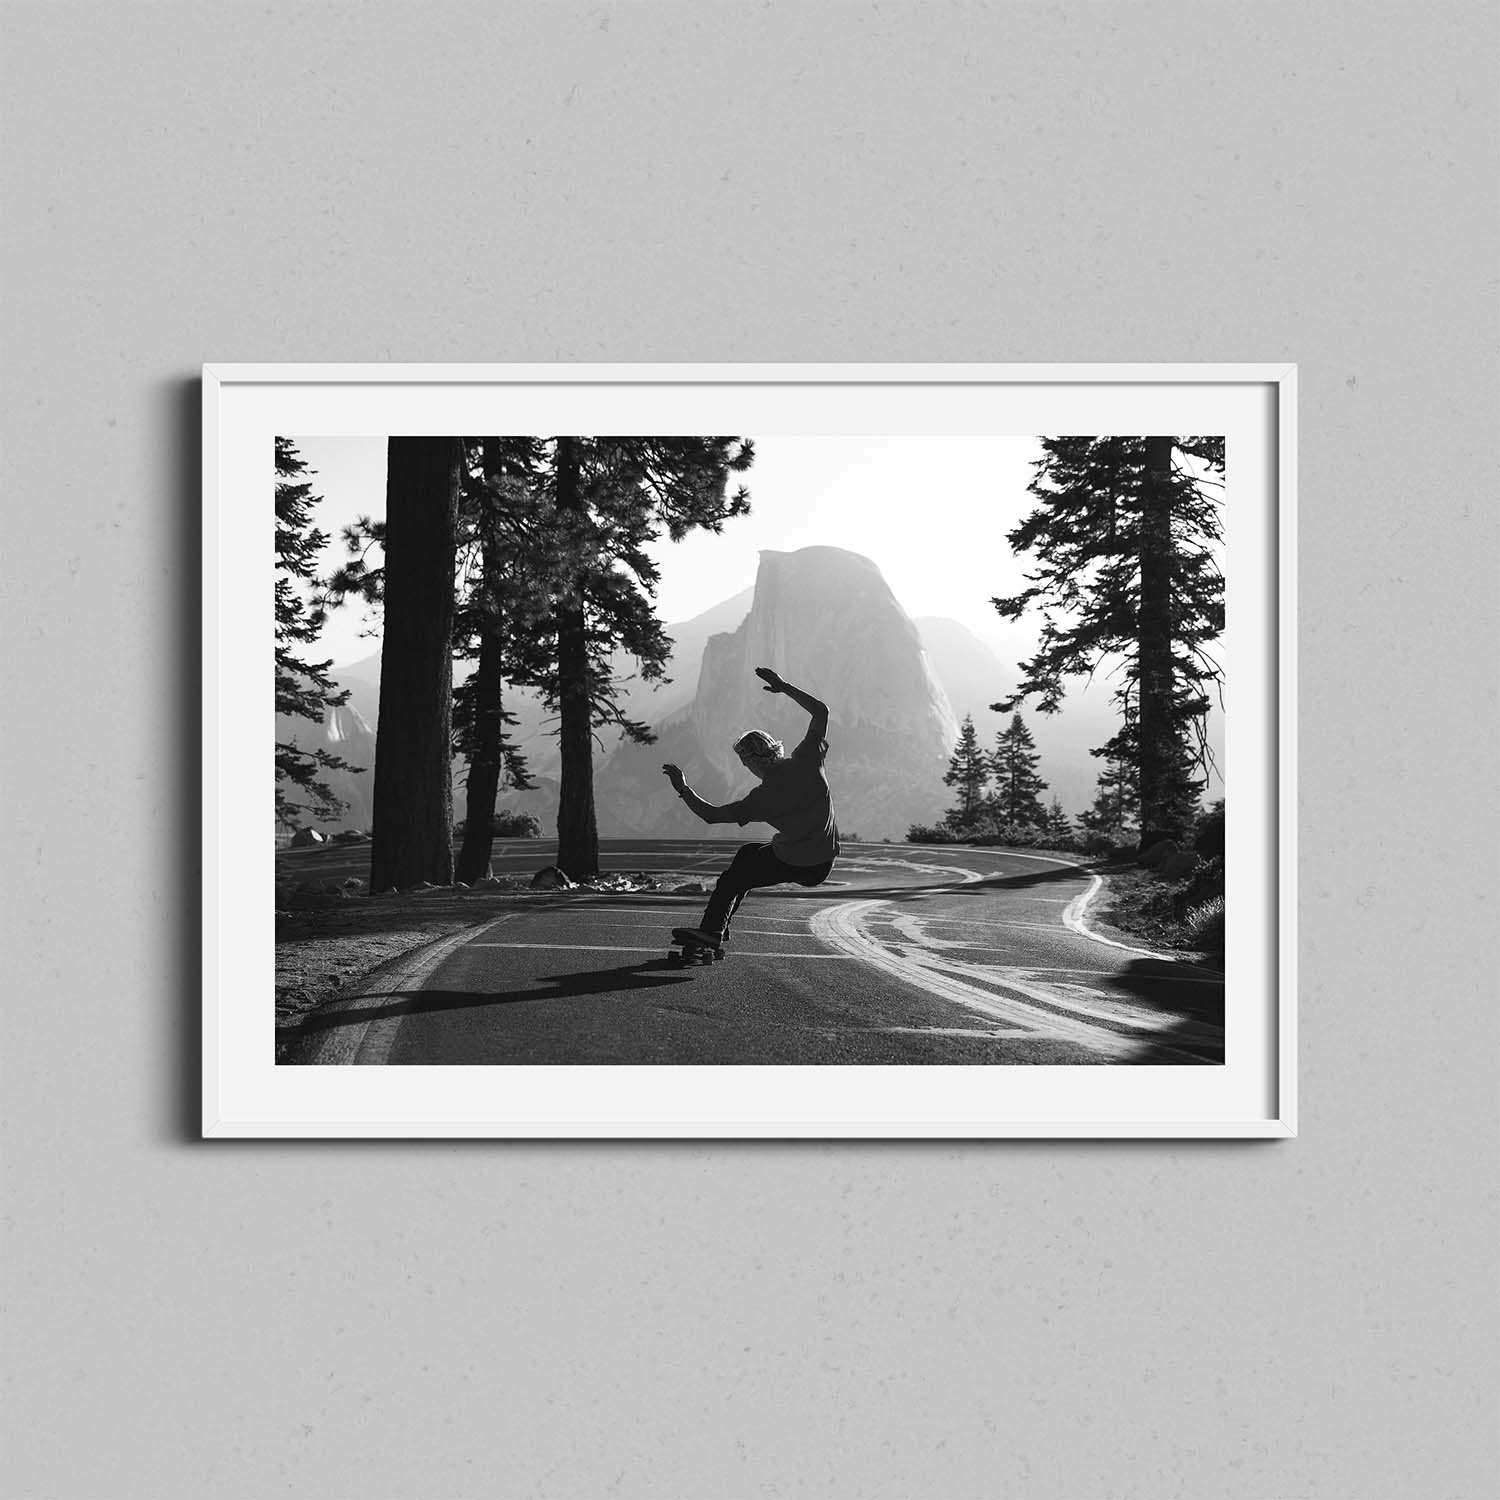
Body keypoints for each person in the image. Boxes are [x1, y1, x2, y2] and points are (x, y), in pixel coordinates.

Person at [662, 667, 840, 947]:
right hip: (824, 862)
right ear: (776, 750)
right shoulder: (806, 759)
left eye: (745, 764)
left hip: (795, 861)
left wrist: (683, 788)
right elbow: (821, 711)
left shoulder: (762, 797)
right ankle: (720, 927)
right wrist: (783, 686)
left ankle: (711, 932)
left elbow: (711, 815)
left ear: (751, 762)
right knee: (748, 854)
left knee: (732, 880)